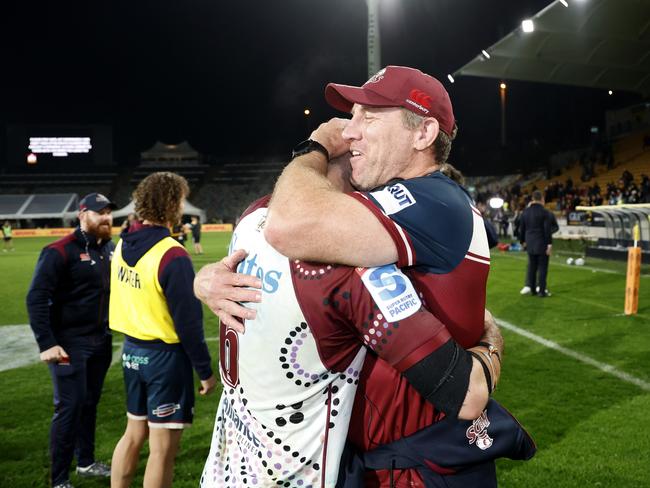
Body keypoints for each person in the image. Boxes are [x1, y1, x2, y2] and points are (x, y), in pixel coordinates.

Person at [197, 66, 529, 486]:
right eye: (351, 116)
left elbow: (286, 223)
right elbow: (269, 226)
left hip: (423, 468)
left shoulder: (438, 199)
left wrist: (314, 145)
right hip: (366, 458)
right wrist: (208, 279)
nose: (348, 132)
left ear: (423, 134)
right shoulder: (384, 202)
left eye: (368, 117)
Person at [109, 172, 216, 488]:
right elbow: (189, 323)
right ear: (173, 204)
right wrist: (205, 371)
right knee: (162, 451)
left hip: (131, 354)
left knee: (132, 434)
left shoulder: (121, 245)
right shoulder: (172, 254)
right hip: (164, 360)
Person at [26, 193, 116, 488]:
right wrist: (46, 343)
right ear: (82, 215)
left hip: (101, 341)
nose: (106, 218)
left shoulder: (110, 249)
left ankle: (86, 463)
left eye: (108, 213)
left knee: (89, 403)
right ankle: (59, 479)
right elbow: (36, 297)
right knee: (70, 406)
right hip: (68, 344)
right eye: (98, 213)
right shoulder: (59, 251)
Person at [518, 190, 559, 297]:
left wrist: (522, 241)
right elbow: (547, 230)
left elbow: (521, 229)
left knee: (532, 267)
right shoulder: (545, 213)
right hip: (542, 243)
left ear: (532, 199)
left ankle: (532, 290)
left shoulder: (525, 212)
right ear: (542, 199)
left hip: (530, 243)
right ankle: (541, 291)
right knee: (542, 268)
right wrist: (549, 244)